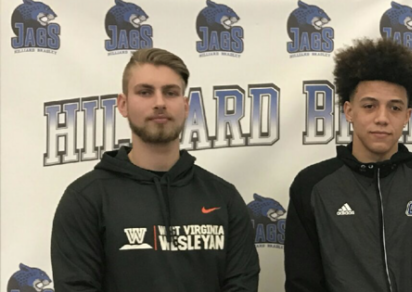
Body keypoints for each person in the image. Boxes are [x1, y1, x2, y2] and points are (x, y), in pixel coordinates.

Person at [51, 48, 260, 292]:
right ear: (123, 104)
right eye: (145, 92)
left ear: (185, 105)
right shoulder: (86, 199)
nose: (159, 103)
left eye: (170, 93)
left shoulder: (223, 198)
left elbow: (242, 285)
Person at [284, 37, 412, 292]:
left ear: (407, 116)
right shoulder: (313, 186)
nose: (382, 118)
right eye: (370, 106)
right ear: (349, 111)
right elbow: (302, 283)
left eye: (394, 107)